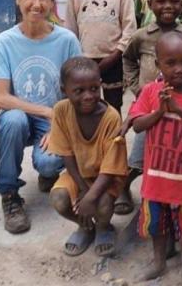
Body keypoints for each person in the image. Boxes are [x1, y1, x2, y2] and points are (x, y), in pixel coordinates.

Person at [0, 0, 83, 234]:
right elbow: (0, 97)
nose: (36, 3)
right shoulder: (5, 42)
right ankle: (9, 194)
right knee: (13, 120)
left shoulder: (66, 40)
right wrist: (46, 111)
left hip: (54, 120)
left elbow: (79, 90)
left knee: (49, 163)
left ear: (52, 3)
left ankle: (48, 173)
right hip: (24, 115)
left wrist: (61, 122)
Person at [130, 32, 182, 286]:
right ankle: (159, 263)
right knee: (156, 224)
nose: (179, 69)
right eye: (171, 63)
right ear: (158, 65)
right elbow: (137, 123)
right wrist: (159, 111)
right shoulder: (151, 91)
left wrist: (177, 109)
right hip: (155, 177)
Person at [120, 0, 182, 215]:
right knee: (138, 155)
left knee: (169, 155)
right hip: (148, 106)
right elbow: (128, 59)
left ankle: (165, 200)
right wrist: (137, 88)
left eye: (174, 1)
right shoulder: (142, 36)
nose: (168, 6)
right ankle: (123, 188)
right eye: (160, 1)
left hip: (177, 106)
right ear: (149, 4)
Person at [48, 57, 130, 257]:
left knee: (101, 204)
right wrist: (84, 192)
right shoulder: (60, 111)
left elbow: (111, 168)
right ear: (64, 90)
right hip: (78, 175)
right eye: (79, 91)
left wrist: (91, 196)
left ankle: (103, 227)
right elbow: (66, 155)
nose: (88, 96)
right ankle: (85, 227)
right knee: (59, 199)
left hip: (105, 177)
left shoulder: (111, 117)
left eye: (94, 88)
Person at [64, 0, 136, 114]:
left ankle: (114, 140)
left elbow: (129, 27)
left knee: (113, 106)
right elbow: (70, 29)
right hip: (83, 60)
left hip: (113, 59)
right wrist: (77, 58)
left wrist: (116, 54)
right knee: (84, 104)